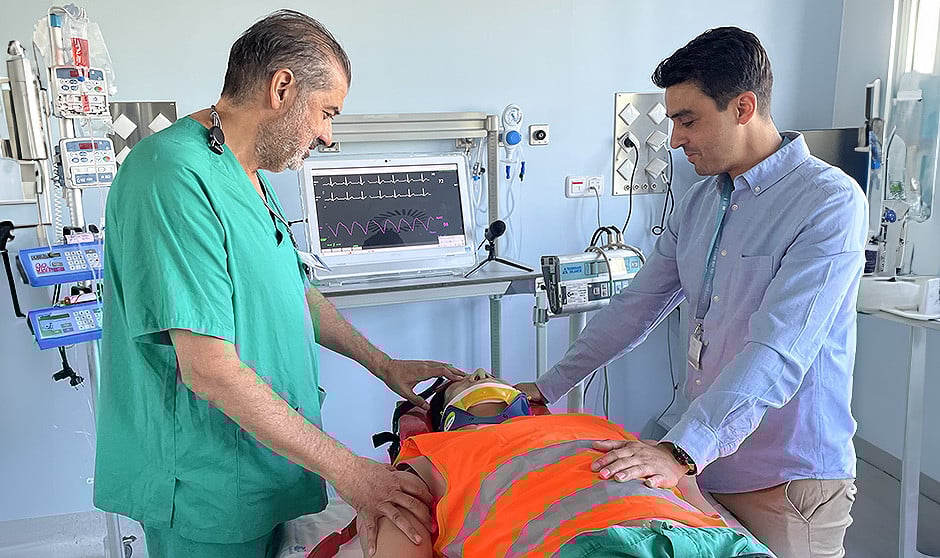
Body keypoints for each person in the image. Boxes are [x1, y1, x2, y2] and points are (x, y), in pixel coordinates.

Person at [94, 10, 462, 558]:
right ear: (282, 88)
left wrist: (384, 365)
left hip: (261, 466)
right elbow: (209, 370)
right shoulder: (171, 176)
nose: (328, 135)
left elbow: (295, 292)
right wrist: (352, 473)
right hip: (205, 483)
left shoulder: (248, 175)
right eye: (327, 113)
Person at [518, 27, 866, 558]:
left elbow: (779, 349)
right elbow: (636, 308)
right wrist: (547, 388)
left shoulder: (828, 203)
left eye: (688, 120)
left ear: (743, 107)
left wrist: (682, 450)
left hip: (786, 479)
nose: (676, 139)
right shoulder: (700, 202)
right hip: (705, 464)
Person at [365, 370, 773, 557]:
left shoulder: (592, 423)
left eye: (488, 375)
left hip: (709, 543)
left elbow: (695, 500)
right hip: (584, 547)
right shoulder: (430, 452)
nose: (481, 373)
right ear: (445, 417)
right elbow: (402, 535)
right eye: (463, 381)